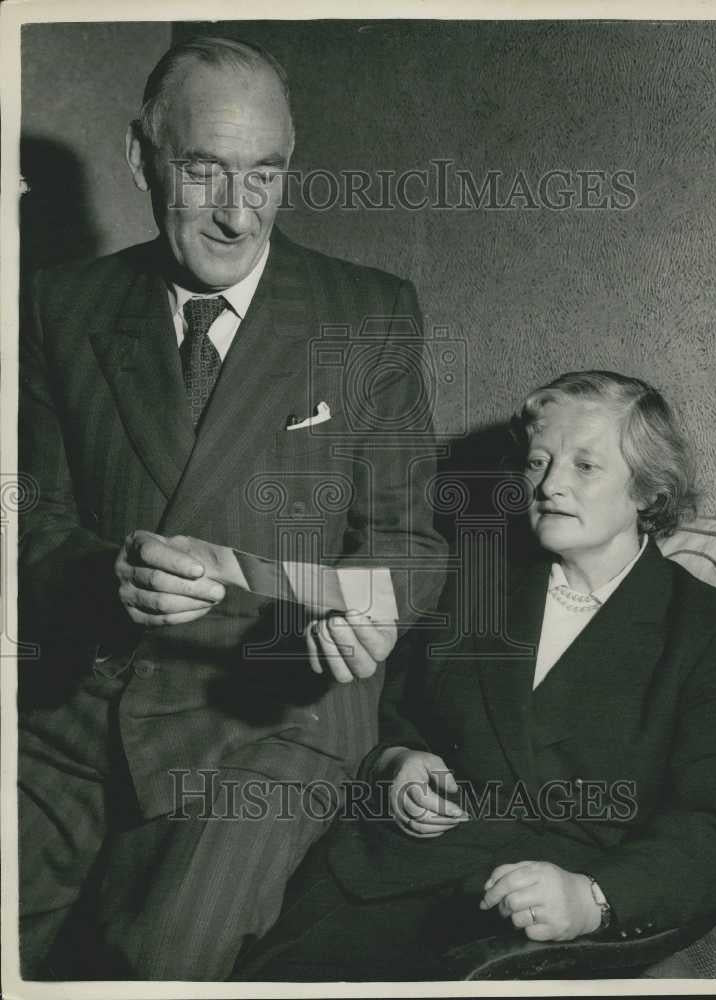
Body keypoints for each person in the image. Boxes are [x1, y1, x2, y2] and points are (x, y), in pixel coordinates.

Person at [18, 36, 446, 980]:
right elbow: (28, 516)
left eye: (265, 175)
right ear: (141, 159)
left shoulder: (364, 314)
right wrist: (103, 574)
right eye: (203, 170)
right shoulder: (59, 306)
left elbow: (409, 544)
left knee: (155, 963)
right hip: (74, 715)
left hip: (273, 715)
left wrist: (364, 605)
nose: (236, 214)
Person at [234, 370, 716, 982]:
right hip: (380, 876)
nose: (551, 484)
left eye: (586, 466)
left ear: (646, 489)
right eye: (539, 462)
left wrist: (592, 898)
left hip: (526, 928)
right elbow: (391, 709)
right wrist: (398, 762)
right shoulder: (473, 583)